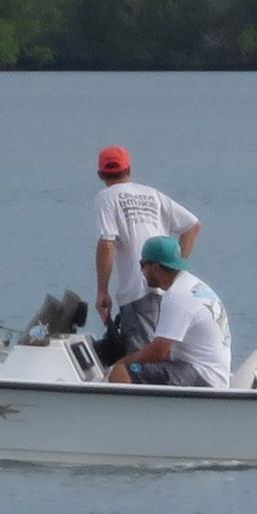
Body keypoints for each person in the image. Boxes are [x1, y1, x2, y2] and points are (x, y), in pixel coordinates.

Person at [91, 143, 200, 366]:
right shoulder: (153, 195)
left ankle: (142, 396)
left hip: (137, 291)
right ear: (129, 170)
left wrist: (102, 291)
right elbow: (193, 226)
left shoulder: (106, 197)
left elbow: (107, 243)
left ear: (101, 174)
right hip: (167, 289)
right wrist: (175, 269)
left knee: (142, 360)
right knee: (162, 351)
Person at [106, 240, 230, 387]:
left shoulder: (177, 296)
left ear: (156, 267)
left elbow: (159, 352)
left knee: (121, 372)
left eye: (142, 264)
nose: (141, 271)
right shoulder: (192, 285)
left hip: (202, 375)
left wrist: (122, 362)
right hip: (212, 372)